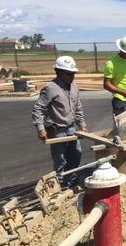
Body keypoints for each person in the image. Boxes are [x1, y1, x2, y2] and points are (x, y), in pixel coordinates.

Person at [32, 56, 88, 187]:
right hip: (56, 130)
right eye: (69, 73)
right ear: (59, 72)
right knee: (60, 160)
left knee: (76, 154)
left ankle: (71, 180)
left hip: (71, 128)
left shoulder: (74, 87)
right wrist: (40, 129)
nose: (72, 76)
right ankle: (60, 184)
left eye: (73, 73)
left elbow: (78, 107)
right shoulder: (50, 88)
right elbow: (38, 109)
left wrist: (82, 125)